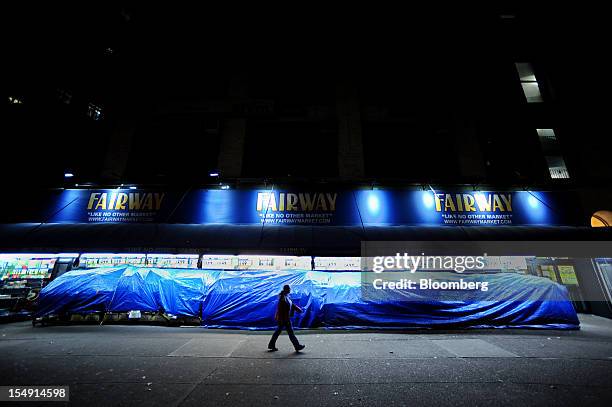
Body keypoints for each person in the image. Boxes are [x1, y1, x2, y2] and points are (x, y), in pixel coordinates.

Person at [268, 284, 306, 352]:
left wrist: (298, 309)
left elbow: (291, 305)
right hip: (284, 319)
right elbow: (282, 309)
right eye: (289, 289)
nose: (290, 290)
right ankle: (297, 346)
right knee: (289, 333)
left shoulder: (286, 297)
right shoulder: (283, 298)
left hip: (284, 318)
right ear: (286, 289)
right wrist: (285, 318)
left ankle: (271, 345)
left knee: (279, 332)